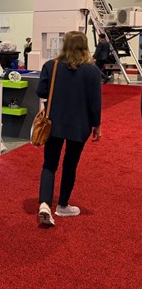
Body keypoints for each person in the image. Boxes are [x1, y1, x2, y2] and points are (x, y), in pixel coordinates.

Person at [36, 31, 101, 226]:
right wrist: (97, 125)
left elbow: (41, 91)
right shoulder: (92, 71)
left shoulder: (51, 66)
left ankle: (44, 204)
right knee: (70, 164)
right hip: (80, 125)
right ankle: (63, 205)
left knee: (49, 164)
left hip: (54, 123)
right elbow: (95, 102)